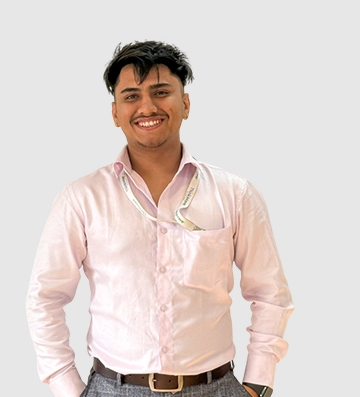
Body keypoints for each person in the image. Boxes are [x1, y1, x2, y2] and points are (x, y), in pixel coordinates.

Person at [26, 40, 294, 397]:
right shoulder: (81, 198)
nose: (147, 106)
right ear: (115, 113)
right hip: (113, 388)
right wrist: (67, 387)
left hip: (216, 388)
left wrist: (258, 382)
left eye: (161, 92)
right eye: (131, 96)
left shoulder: (235, 194)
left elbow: (270, 292)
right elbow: (45, 297)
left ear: (185, 104)